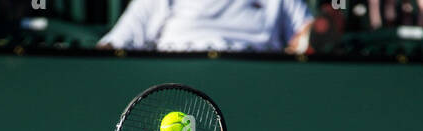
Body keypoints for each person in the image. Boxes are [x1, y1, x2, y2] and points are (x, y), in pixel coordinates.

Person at [96, 0, 314, 53]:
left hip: (257, 94)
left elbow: (313, 35)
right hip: (177, 96)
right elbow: (112, 47)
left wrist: (322, 30)